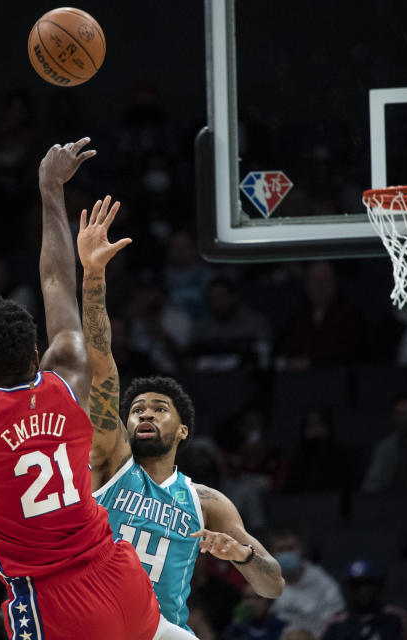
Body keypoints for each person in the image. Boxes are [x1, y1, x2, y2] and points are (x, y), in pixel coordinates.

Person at [0, 139, 189, 639]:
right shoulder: (67, 376)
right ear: (35, 351)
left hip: (55, 600)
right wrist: (50, 190)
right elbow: (55, 283)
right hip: (120, 574)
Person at [77, 198, 285, 632]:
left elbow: (272, 586)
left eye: (159, 409)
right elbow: (101, 366)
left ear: (184, 429)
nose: (145, 415)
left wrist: (243, 556)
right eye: (135, 410)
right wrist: (94, 277)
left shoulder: (205, 502)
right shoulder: (111, 463)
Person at [268, 531, 344, 638]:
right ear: (271, 553)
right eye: (280, 550)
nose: (285, 554)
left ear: (301, 549)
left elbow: (337, 618)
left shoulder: (324, 583)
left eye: (290, 548)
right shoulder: (265, 583)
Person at [321, 560, 407, 640]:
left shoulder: (395, 618)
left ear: (377, 586)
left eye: (367, 584)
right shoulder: (336, 624)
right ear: (348, 589)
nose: (362, 591)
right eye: (356, 585)